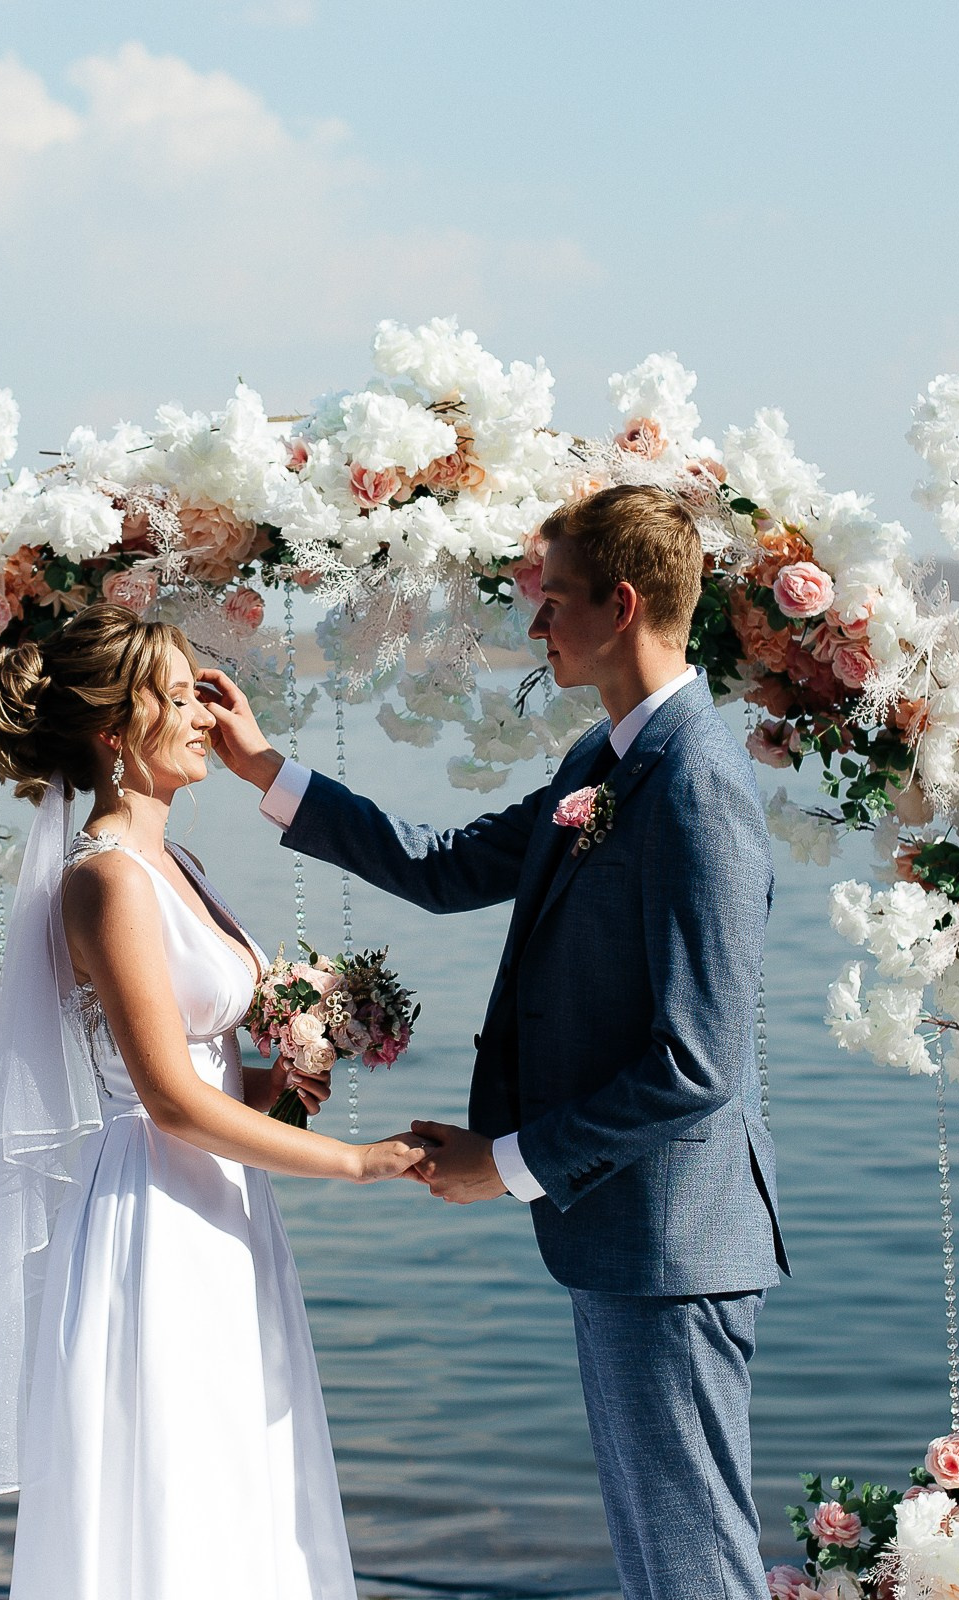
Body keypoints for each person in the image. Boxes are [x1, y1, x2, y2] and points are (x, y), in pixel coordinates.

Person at [201, 484, 787, 1600]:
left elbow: (698, 1068)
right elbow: (444, 863)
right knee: (660, 1556)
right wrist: (265, 769)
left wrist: (504, 1165)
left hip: (671, 1239)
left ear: (620, 605)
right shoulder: (602, 766)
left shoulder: (697, 782)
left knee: (695, 1560)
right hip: (624, 1232)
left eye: (552, 601)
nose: (535, 627)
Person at [0, 603, 431, 1600]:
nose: (206, 711)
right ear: (114, 732)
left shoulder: (177, 867)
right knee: (174, 1484)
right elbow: (167, 1099)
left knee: (243, 1477)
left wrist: (277, 1080)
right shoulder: (105, 881)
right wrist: (362, 1161)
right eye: (180, 693)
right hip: (148, 1215)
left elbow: (210, 1080)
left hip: (225, 1208)